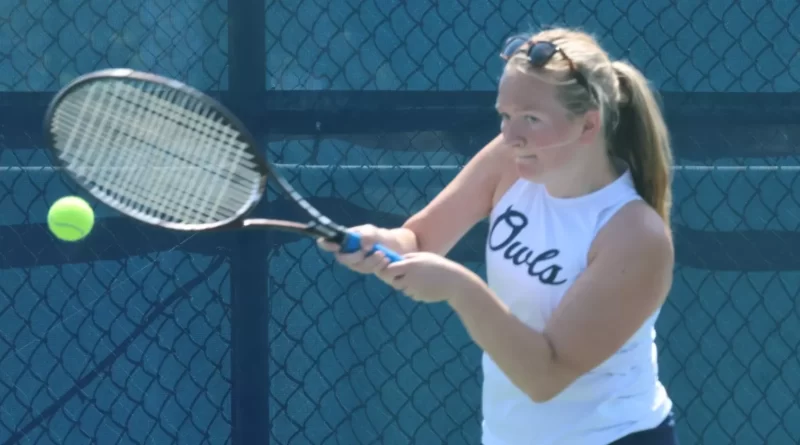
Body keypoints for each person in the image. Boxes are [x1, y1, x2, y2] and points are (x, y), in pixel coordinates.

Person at [319, 26, 679, 445]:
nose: (511, 135)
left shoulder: (635, 236)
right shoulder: (512, 159)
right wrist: (378, 240)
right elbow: (419, 239)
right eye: (505, 116)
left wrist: (459, 289)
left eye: (532, 119)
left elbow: (544, 376)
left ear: (588, 125)